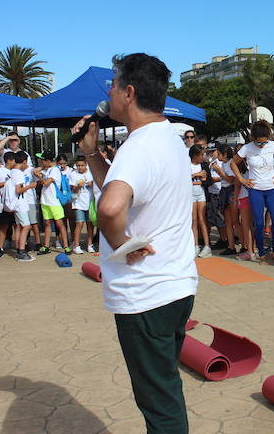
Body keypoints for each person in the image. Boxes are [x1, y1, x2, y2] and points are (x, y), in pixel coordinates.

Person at [72, 53, 197, 434]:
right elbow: (123, 190)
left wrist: (122, 242)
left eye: (111, 85)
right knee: (164, 389)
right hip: (175, 285)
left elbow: (110, 208)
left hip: (146, 293)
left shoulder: (139, 147)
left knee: (159, 402)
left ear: (128, 92)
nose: (107, 93)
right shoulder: (169, 138)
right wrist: (92, 152)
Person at [232, 120, 274, 264]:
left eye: (264, 143)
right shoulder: (247, 148)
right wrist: (241, 179)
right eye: (259, 143)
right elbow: (233, 163)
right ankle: (262, 255)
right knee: (259, 223)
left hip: (272, 188)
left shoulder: (272, 145)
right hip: (255, 190)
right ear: (254, 138)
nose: (262, 145)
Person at [34, 151, 69, 254]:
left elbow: (45, 182)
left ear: (48, 161)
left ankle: (66, 246)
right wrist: (42, 168)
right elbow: (35, 171)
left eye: (43, 161)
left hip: (54, 201)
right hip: (45, 201)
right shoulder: (48, 169)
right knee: (48, 224)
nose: (41, 163)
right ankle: (46, 246)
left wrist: (41, 176)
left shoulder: (54, 170)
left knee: (59, 224)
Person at [10, 151, 37, 262]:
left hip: (15, 203)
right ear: (25, 161)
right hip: (20, 203)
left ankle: (18, 248)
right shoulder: (19, 173)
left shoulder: (12, 171)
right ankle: (21, 251)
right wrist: (30, 186)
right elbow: (19, 189)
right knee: (26, 226)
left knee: (18, 226)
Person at [188, 144, 211, 258]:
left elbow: (207, 180)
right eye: (201, 154)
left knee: (202, 219)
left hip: (201, 194)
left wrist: (199, 181)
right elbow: (183, 179)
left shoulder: (204, 165)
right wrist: (196, 175)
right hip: (190, 195)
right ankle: (195, 245)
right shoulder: (187, 165)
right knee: (193, 220)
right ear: (195, 155)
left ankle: (207, 246)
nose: (203, 156)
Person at [69, 156, 95, 254]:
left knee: (90, 224)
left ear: (86, 165)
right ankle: (76, 245)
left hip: (90, 202)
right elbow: (73, 189)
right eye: (78, 165)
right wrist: (78, 187)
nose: (80, 167)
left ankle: (89, 245)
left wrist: (91, 184)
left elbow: (96, 185)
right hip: (78, 202)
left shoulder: (91, 173)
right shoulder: (73, 174)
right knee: (79, 223)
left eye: (82, 165)